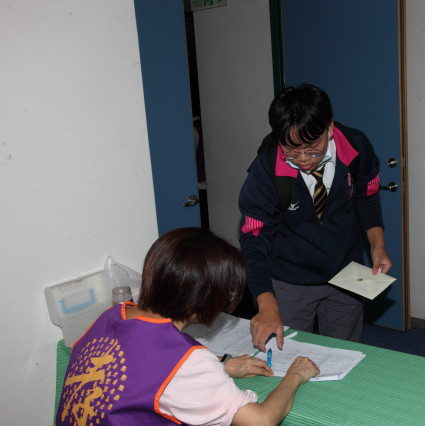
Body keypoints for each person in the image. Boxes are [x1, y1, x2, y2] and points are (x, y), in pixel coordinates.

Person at [56, 228, 319, 426]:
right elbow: (260, 421)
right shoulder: (190, 362)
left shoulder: (112, 315)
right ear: (204, 299)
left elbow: (139, 362)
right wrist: (294, 375)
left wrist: (221, 363)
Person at [239, 84, 392, 352]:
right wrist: (266, 302)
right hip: (290, 281)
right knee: (289, 358)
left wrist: (377, 245)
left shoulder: (356, 148)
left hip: (347, 275)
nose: (303, 159)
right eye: (291, 150)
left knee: (344, 354)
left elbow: (367, 197)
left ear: (329, 129)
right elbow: (254, 240)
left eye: (312, 148)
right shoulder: (266, 171)